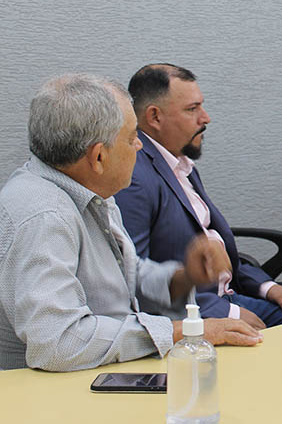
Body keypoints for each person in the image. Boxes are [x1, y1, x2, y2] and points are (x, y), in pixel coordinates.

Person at [0, 74, 262, 372]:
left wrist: (185, 276)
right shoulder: (45, 217)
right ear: (99, 157)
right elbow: (59, 342)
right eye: (131, 137)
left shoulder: (89, 190)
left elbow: (127, 278)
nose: (139, 146)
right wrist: (182, 332)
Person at [115, 64, 282, 330]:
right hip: (200, 312)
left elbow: (216, 245)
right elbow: (134, 283)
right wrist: (228, 313)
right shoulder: (135, 177)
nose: (206, 118)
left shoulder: (180, 164)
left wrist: (267, 286)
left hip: (229, 293)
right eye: (192, 109)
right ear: (155, 117)